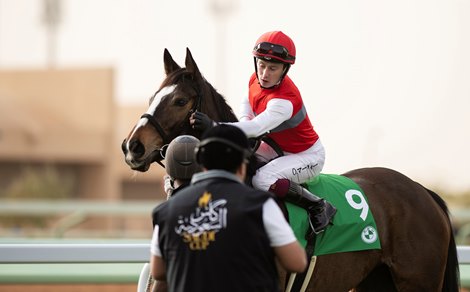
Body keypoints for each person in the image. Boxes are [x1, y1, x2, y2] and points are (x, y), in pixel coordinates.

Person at [191, 31, 336, 234]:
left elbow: (256, 127)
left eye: (273, 68)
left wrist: (215, 127)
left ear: (285, 69)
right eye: (261, 65)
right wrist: (243, 125)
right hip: (277, 148)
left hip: (306, 156)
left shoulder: (284, 101)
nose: (265, 74)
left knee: (262, 179)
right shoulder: (256, 78)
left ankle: (318, 205)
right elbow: (247, 105)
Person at [150, 124, 307, 292]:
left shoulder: (165, 211)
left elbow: (158, 271)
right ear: (242, 164)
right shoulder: (261, 204)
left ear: (202, 165)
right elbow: (297, 263)